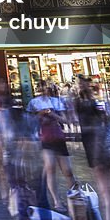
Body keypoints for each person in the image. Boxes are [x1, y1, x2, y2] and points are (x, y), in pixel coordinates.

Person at [75, 77, 110, 220]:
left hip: (98, 143)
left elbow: (105, 119)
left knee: (105, 188)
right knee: (103, 186)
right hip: (91, 144)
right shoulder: (79, 101)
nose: (79, 86)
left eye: (81, 83)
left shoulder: (95, 100)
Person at [27, 81, 75, 212]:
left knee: (67, 170)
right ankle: (56, 201)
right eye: (40, 87)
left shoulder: (57, 101)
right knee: (50, 168)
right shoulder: (34, 103)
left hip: (58, 137)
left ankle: (75, 197)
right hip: (44, 137)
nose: (43, 90)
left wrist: (52, 114)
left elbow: (65, 120)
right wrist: (40, 114)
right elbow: (30, 120)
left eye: (45, 87)